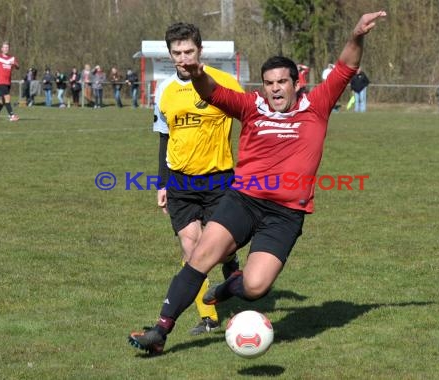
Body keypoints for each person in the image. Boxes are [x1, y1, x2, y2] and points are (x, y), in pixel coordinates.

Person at [128, 10, 387, 355]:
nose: (275, 88)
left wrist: (356, 35)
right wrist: (196, 74)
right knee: (200, 254)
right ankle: (159, 331)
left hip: (285, 214)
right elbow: (216, 94)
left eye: (282, 81)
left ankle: (228, 287)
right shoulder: (252, 106)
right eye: (269, 82)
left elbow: (345, 68)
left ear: (296, 83)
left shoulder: (318, 106)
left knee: (255, 286)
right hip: (243, 201)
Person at [145, 22, 244, 337]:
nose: (183, 58)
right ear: (170, 54)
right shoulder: (165, 90)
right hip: (180, 184)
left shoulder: (225, 83)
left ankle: (231, 266)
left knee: (221, 249)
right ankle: (210, 318)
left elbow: (252, 121)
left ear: (199, 51)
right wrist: (161, 183)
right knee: (193, 252)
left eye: (189, 51)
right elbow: (164, 137)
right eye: (177, 52)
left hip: (218, 181)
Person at [0, 41, 20, 121]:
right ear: (1, 49)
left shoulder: (12, 58)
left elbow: (18, 67)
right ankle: (12, 115)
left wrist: (15, 64)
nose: (6, 49)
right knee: (7, 97)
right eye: (4, 47)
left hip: (8, 81)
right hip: (1, 81)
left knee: (2, 100)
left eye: (7, 47)